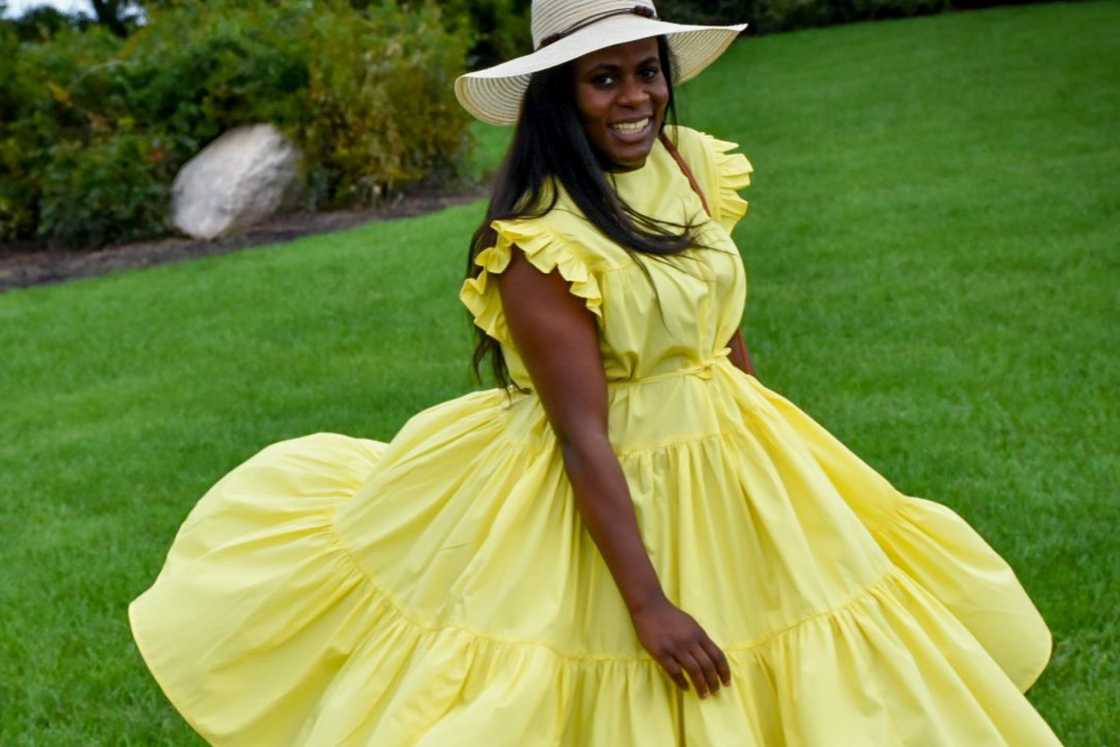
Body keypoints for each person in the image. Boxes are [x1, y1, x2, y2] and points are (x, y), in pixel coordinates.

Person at [129, 1, 1064, 744]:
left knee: (813, 637)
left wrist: (770, 430)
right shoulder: (540, 243)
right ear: (558, 97)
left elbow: (718, 316)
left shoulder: (689, 166)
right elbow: (584, 435)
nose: (634, 97)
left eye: (647, 71)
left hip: (733, 447)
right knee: (610, 676)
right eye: (602, 78)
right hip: (612, 474)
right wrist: (649, 602)